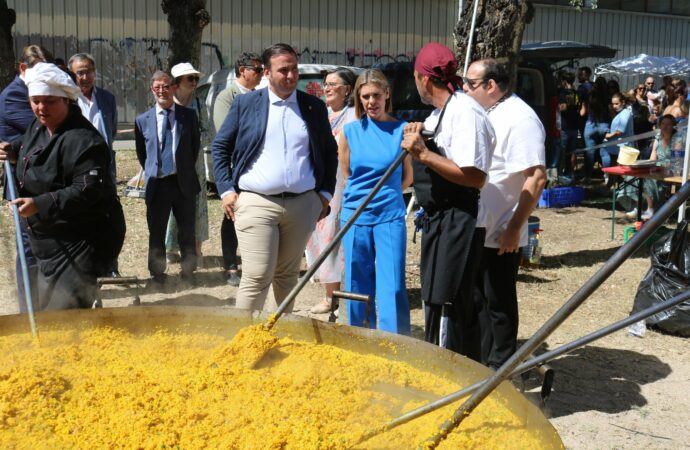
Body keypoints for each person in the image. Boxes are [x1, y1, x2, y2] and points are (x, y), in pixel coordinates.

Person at [211, 43, 337, 312]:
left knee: (287, 277)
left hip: (303, 205)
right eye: (283, 70)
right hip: (256, 203)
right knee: (257, 276)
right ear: (267, 72)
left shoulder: (313, 107)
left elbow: (329, 152)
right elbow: (221, 146)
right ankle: (244, 342)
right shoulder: (245, 104)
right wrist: (226, 190)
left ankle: (282, 337)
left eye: (294, 70)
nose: (290, 76)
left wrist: (324, 195)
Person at [0, 62, 124, 310]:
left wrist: (39, 203)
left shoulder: (85, 141)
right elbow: (28, 144)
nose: (40, 108)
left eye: (49, 101)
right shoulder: (39, 125)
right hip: (47, 238)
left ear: (66, 100)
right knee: (42, 310)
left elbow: (86, 190)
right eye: (35, 101)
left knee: (64, 314)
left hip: (82, 241)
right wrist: (13, 151)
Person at [401, 43, 495, 359]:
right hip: (439, 217)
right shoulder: (441, 113)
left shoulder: (466, 113)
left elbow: (474, 176)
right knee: (436, 298)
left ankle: (447, 373)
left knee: (448, 302)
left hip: (461, 219)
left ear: (424, 79)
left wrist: (423, 154)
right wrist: (419, 134)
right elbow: (432, 138)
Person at [463, 58, 547, 370]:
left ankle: (500, 371)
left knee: (497, 303)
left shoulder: (520, 118)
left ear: (491, 86)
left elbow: (536, 177)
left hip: (502, 231)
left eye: (470, 83)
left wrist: (515, 228)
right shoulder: (485, 112)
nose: (464, 88)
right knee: (477, 303)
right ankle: (480, 367)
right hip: (479, 227)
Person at [337, 69, 412, 333]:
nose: (371, 102)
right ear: (358, 97)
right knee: (357, 280)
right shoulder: (349, 132)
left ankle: (397, 342)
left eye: (376, 95)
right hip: (355, 215)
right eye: (365, 96)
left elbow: (407, 178)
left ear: (387, 94)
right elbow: (347, 174)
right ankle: (358, 336)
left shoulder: (402, 130)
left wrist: (385, 196)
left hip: (389, 215)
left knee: (391, 284)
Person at [135, 70, 200, 286]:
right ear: (152, 90)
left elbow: (194, 147)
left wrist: (182, 169)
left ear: (173, 88)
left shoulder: (188, 116)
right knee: (157, 231)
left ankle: (189, 272)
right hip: (158, 184)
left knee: (187, 231)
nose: (161, 91)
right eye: (157, 87)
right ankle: (157, 274)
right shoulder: (142, 120)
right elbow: (142, 153)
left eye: (165, 86)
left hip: (183, 183)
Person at [0, 44, 52, 313]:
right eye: (39, 71)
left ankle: (45, 306)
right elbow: (42, 131)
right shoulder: (13, 96)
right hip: (22, 184)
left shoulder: (37, 92)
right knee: (29, 250)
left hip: (44, 183)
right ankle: (28, 310)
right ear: (23, 69)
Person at [307, 67, 357, 315]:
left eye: (332, 84)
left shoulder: (355, 117)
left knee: (337, 237)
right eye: (325, 83)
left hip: (344, 185)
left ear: (347, 89)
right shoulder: (321, 114)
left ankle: (340, 296)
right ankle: (330, 294)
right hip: (319, 185)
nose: (326, 88)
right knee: (320, 236)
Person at [212, 52, 263, 287]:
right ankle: (230, 265)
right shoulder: (227, 97)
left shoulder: (260, 96)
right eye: (258, 70)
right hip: (235, 167)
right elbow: (226, 135)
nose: (261, 74)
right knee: (231, 216)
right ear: (242, 71)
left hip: (257, 167)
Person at [68, 52, 121, 277]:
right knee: (82, 219)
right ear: (72, 75)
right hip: (76, 172)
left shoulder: (107, 99)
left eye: (89, 70)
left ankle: (111, 267)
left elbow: (113, 131)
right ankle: (84, 270)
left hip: (105, 171)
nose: (86, 76)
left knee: (109, 219)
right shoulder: (67, 100)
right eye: (80, 72)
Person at [164, 62, 209, 264]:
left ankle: (196, 249)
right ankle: (170, 247)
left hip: (194, 162)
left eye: (196, 78)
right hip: (170, 163)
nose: (194, 82)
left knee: (197, 205)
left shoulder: (199, 102)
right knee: (172, 204)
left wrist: (192, 142)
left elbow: (209, 132)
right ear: (177, 82)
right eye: (189, 78)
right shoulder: (165, 102)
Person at [582, 77, 610, 180]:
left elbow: (583, 111)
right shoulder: (607, 97)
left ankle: (588, 176)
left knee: (590, 153)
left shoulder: (590, 96)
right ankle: (607, 175)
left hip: (590, 125)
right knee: (605, 153)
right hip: (604, 125)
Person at [557, 71, 580, 180]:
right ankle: (571, 174)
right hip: (575, 125)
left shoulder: (562, 93)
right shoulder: (576, 93)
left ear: (564, 81)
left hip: (564, 126)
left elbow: (563, 107)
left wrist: (557, 108)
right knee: (572, 152)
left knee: (562, 151)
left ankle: (560, 174)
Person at [603, 92, 634, 169]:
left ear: (623, 102)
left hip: (621, 150)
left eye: (616, 104)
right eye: (613, 104)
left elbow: (620, 131)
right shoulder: (621, 113)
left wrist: (608, 135)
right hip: (617, 149)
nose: (614, 106)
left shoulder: (625, 113)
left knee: (619, 172)